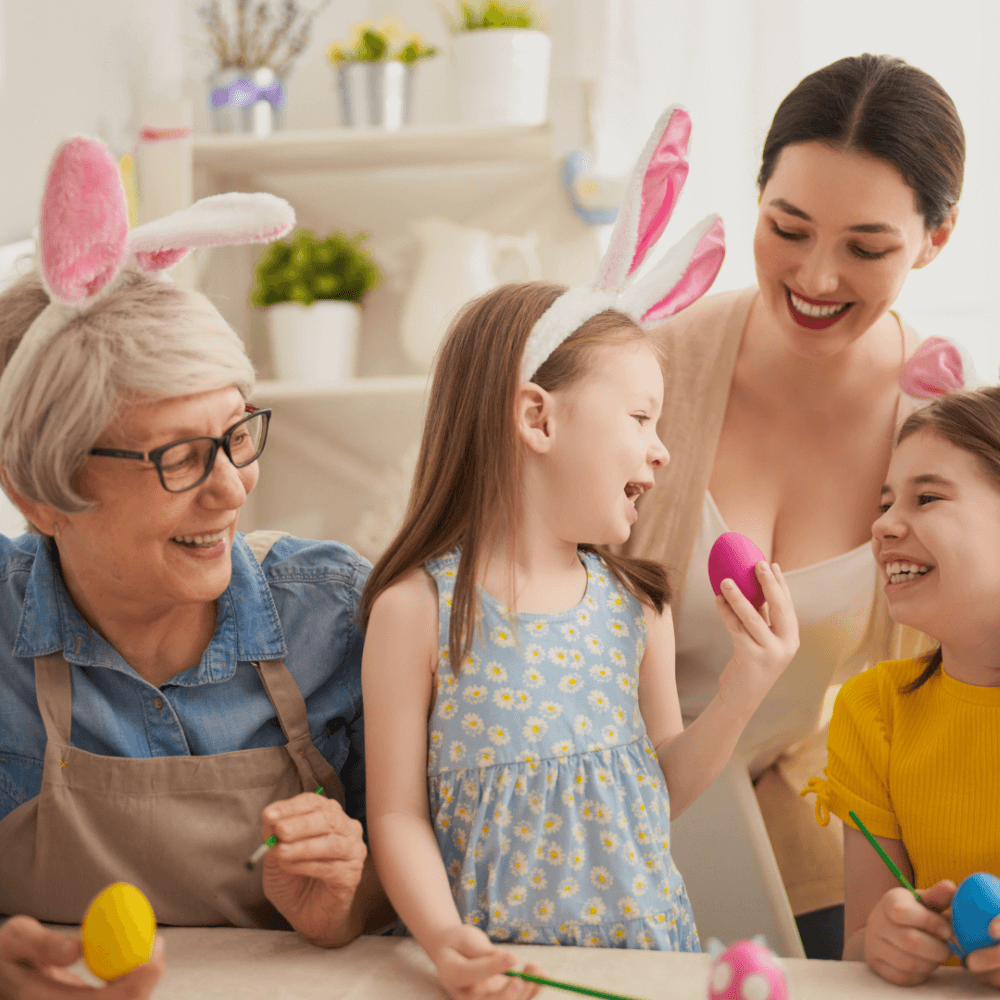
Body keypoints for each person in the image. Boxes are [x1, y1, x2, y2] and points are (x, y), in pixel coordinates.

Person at [360, 106, 799, 1000]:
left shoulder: (639, 606)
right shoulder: (418, 609)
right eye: (640, 418)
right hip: (503, 980)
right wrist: (445, 942)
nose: (662, 449)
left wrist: (747, 689)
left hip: (648, 966)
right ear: (536, 416)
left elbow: (658, 784)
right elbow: (397, 813)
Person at [0, 137, 390, 1000]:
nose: (231, 490)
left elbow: (432, 885)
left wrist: (350, 900)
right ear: (40, 495)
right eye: (179, 457)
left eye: (238, 434)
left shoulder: (337, 617)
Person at [621, 53, 965, 959]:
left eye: (866, 246)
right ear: (758, 198)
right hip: (598, 820)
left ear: (934, 239)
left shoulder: (942, 426)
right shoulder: (644, 366)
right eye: (789, 227)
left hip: (791, 841)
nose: (816, 277)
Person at [801, 386, 1000, 988]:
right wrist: (879, 942)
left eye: (928, 497)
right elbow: (860, 942)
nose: (884, 525)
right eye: (886, 502)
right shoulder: (872, 711)